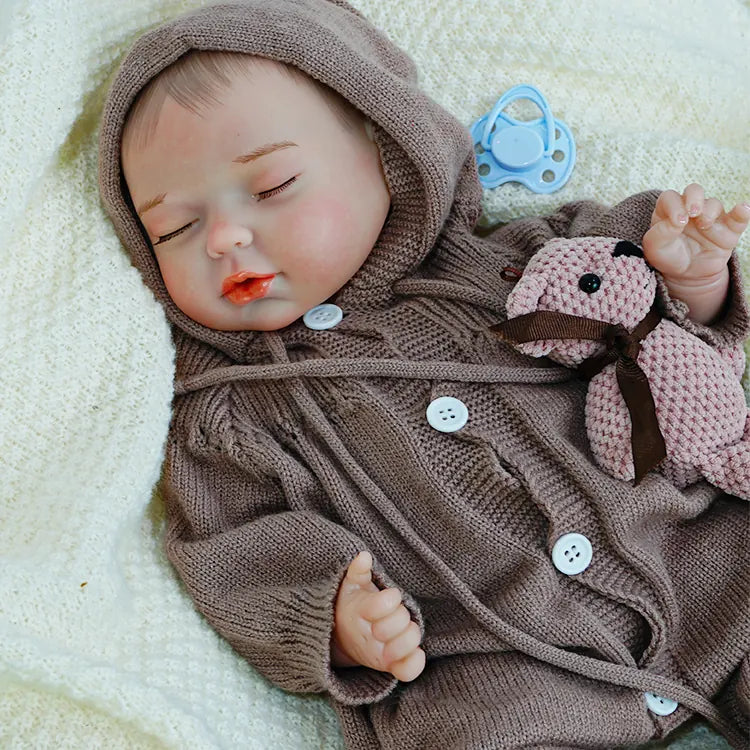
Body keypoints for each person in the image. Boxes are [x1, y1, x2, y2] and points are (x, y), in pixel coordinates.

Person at [98, 1, 750, 747]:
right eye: (175, 228)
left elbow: (639, 314)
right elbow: (231, 552)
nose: (224, 238)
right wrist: (336, 619)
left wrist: (689, 274)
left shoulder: (503, 264)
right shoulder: (228, 416)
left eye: (273, 185)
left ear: (389, 154)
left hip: (705, 559)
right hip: (500, 664)